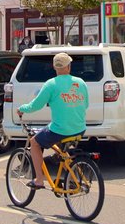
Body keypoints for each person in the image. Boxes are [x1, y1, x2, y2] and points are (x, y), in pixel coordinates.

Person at [16, 53, 89, 189]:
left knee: (35, 143)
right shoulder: (81, 83)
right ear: (69, 66)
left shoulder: (51, 84)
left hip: (60, 129)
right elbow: (86, 105)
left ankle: (38, 179)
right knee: (61, 145)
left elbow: (35, 106)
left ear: (54, 67)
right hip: (80, 128)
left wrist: (22, 109)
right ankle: (69, 174)